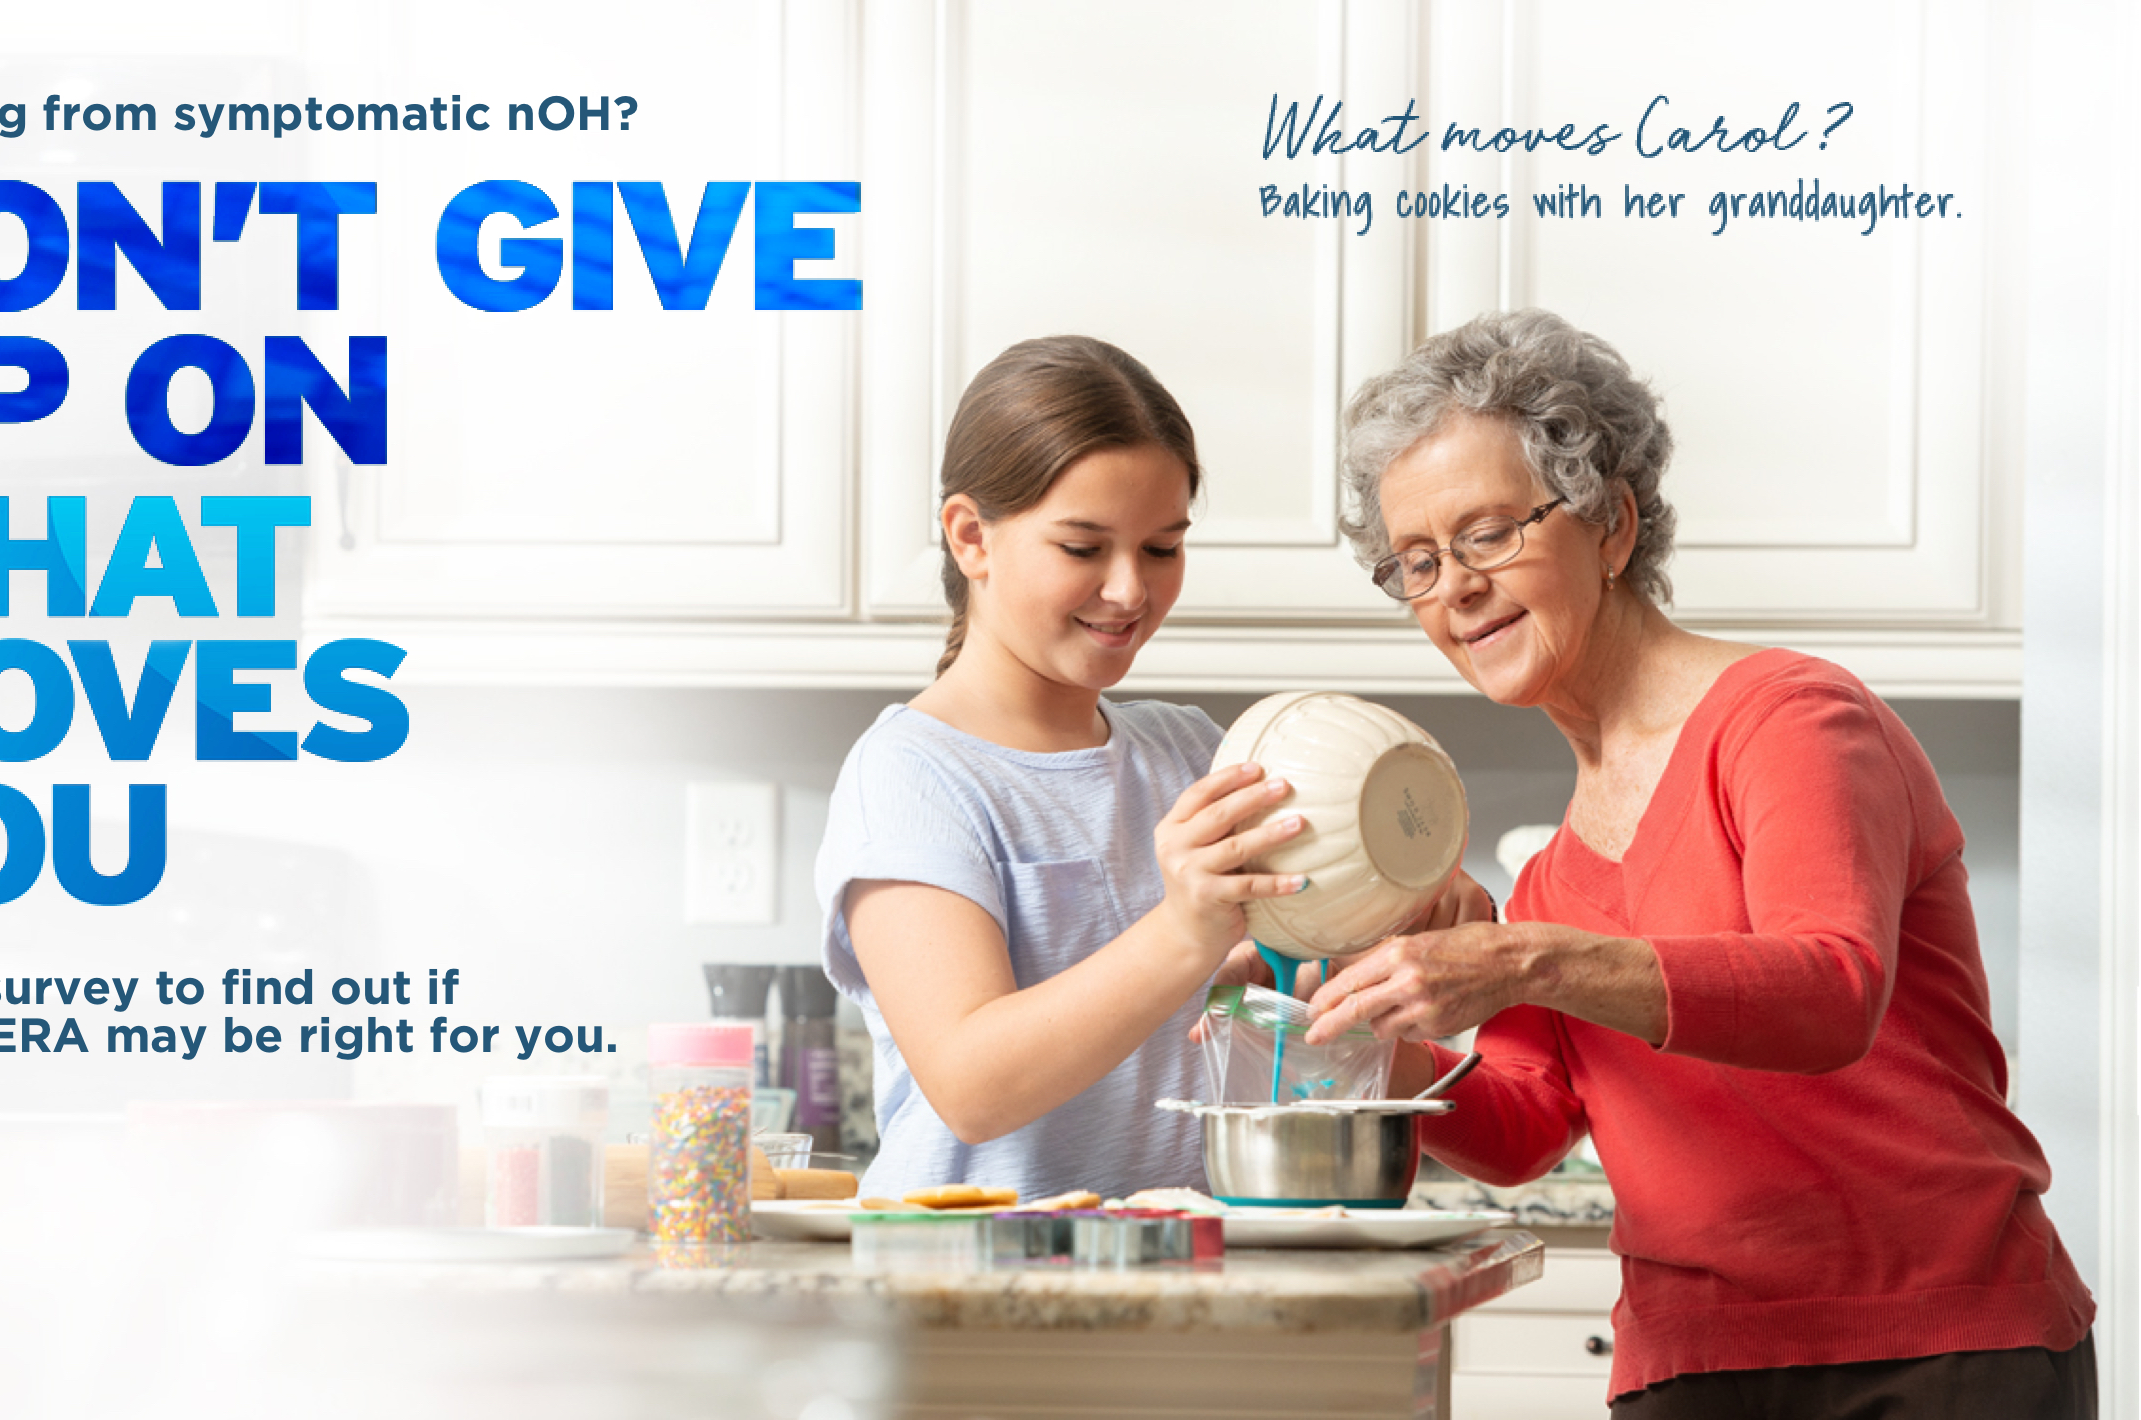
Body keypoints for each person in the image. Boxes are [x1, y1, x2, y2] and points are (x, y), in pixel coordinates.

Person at [1306, 308, 2096, 1417]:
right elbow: (1524, 1128)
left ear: (1612, 524)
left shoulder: (1790, 721)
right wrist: (1358, 1042)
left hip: (1935, 1344)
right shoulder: (1556, 872)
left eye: (1488, 533)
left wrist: (1524, 959)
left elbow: (1828, 988)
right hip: (1690, 1360)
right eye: (1418, 562)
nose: (1454, 590)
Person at [812, 335, 1306, 1201]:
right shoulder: (912, 777)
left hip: (1194, 1284)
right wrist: (1184, 937)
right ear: (972, 537)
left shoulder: (1193, 751)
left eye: (1162, 548)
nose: (1129, 590)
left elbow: (1291, 987)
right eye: (1083, 549)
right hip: (979, 1304)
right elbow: (971, 1085)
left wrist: (1384, 920)